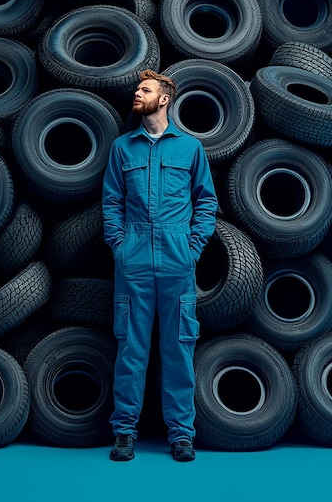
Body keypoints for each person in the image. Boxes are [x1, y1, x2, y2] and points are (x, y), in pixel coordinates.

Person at [102, 69, 217, 462]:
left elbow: (206, 203)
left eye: (145, 90)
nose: (138, 93)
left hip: (176, 260)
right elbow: (112, 202)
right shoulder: (123, 148)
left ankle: (181, 436)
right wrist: (120, 245)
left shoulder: (190, 149)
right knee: (131, 349)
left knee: (178, 350)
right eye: (137, 89)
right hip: (133, 259)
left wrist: (192, 247)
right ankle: (124, 434)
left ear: (164, 99)